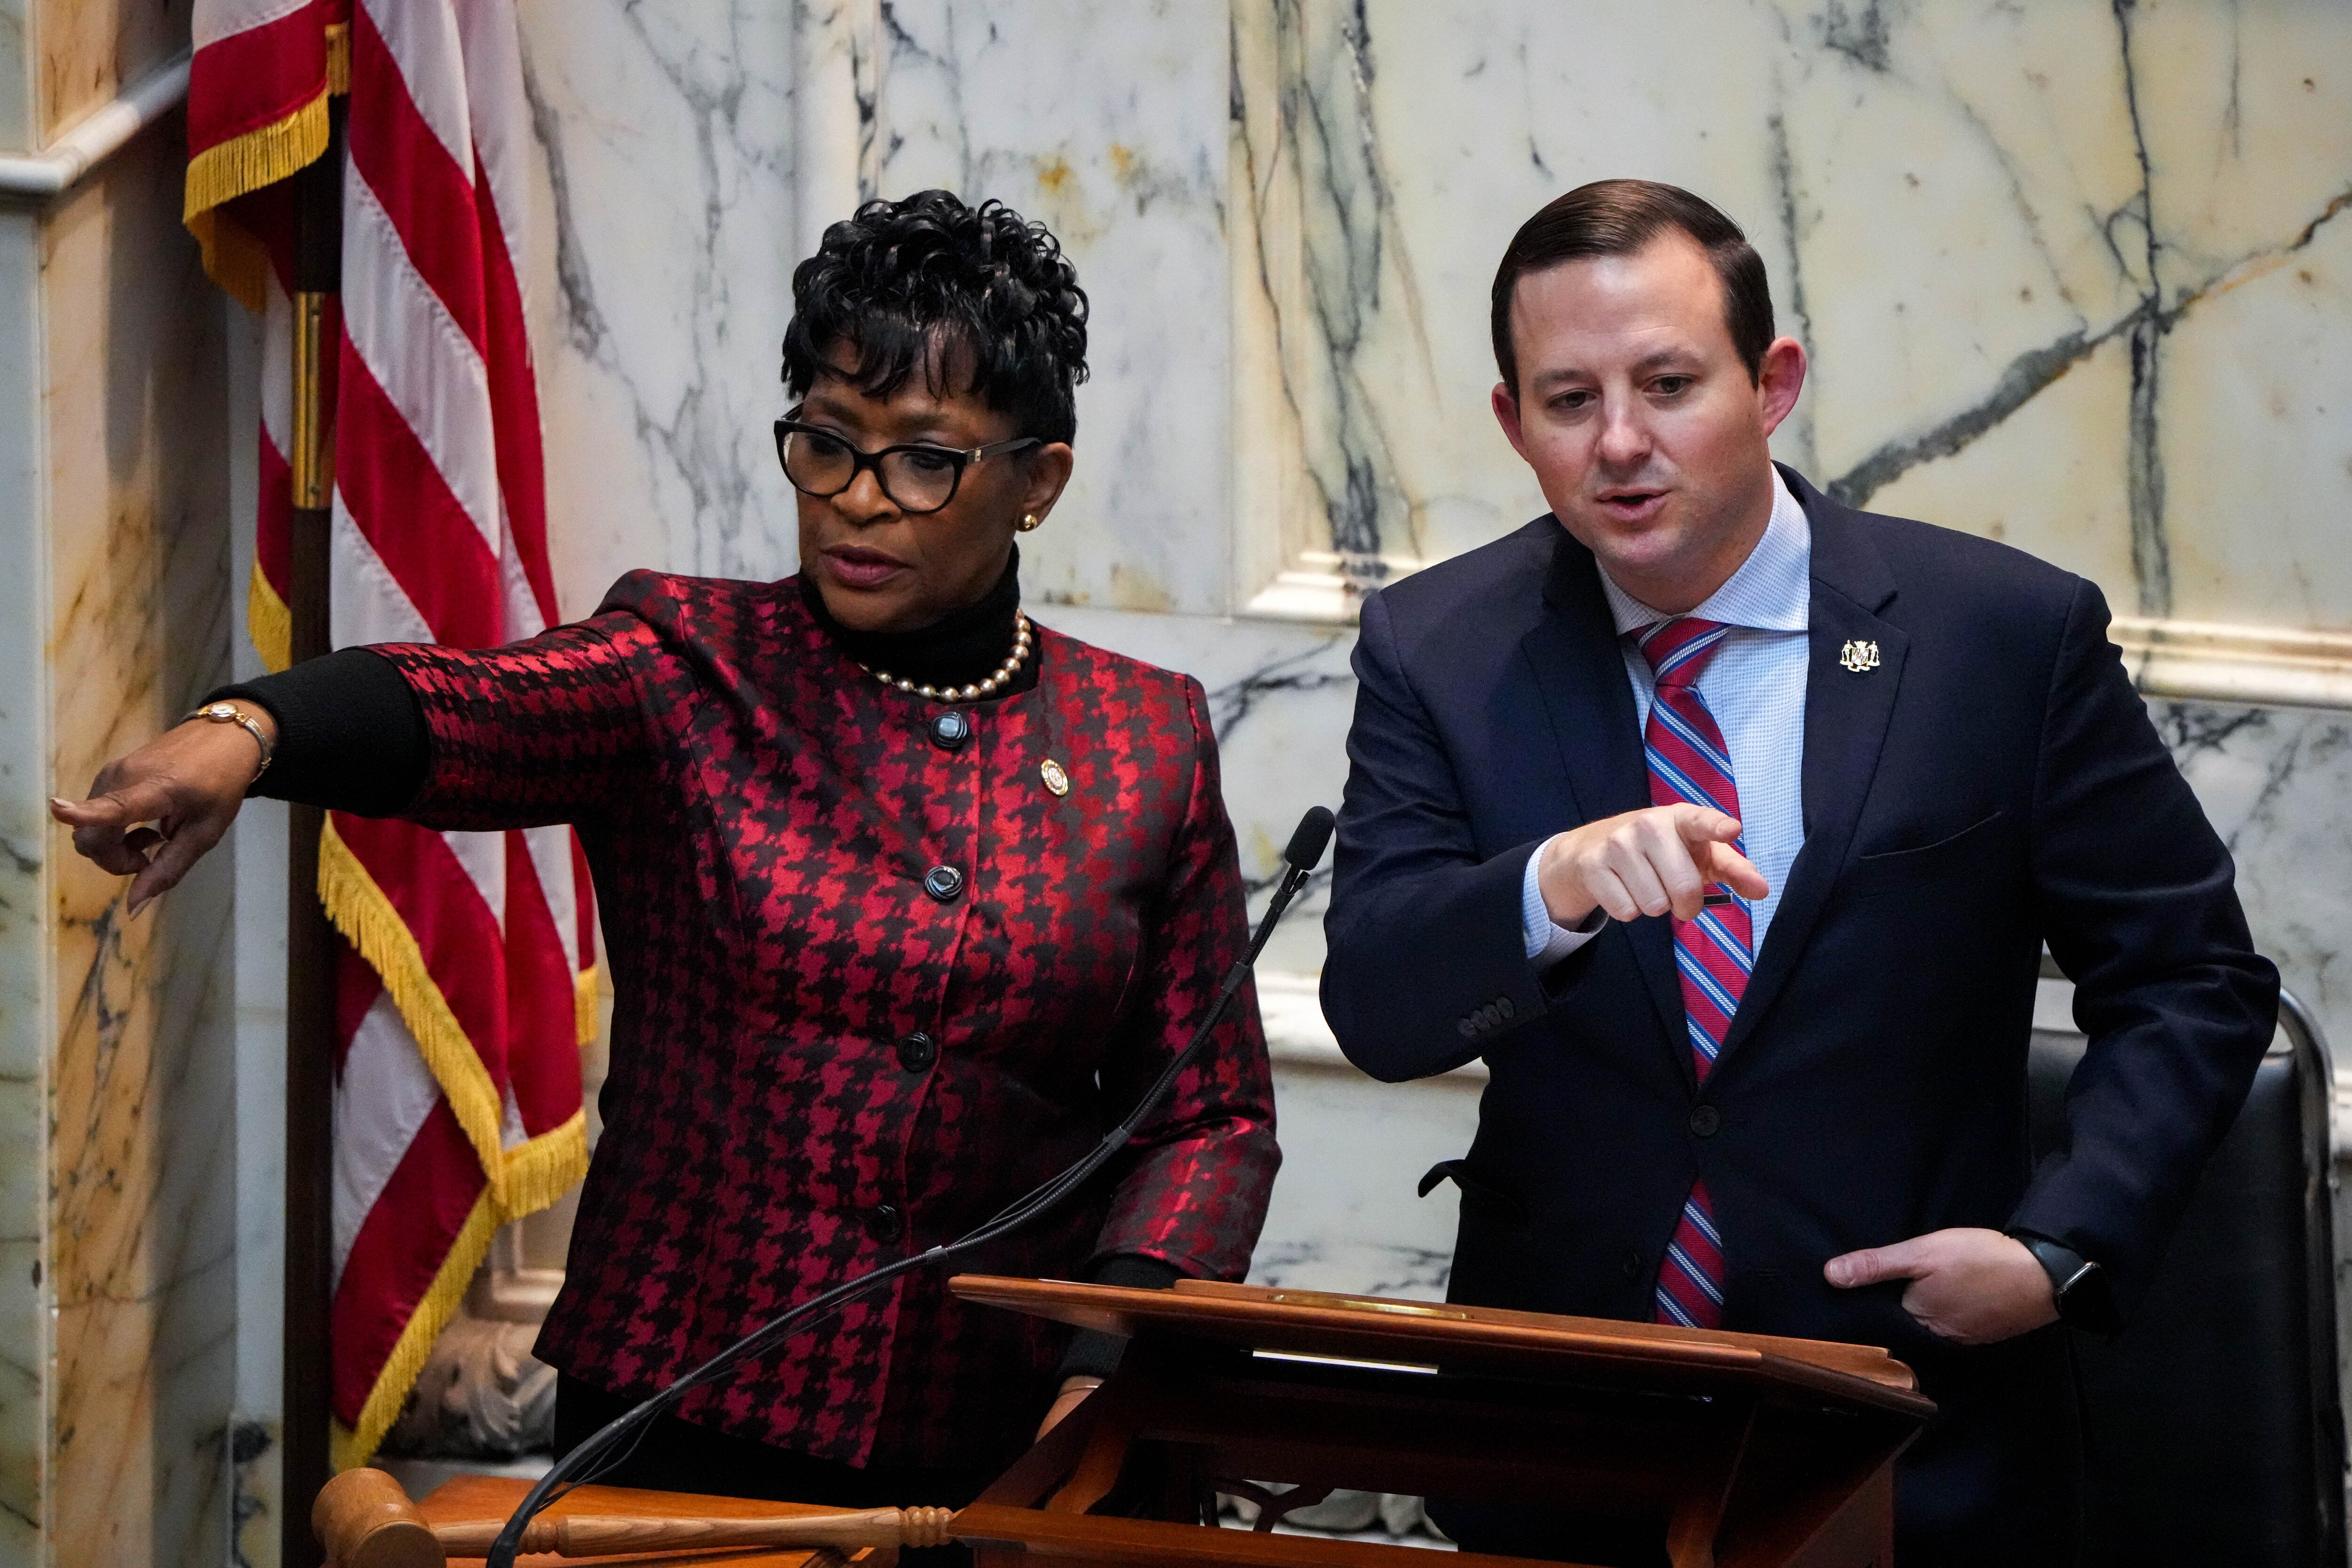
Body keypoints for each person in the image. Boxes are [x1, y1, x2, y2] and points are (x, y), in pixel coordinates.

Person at [54, 190, 1278, 1509]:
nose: (859, 502)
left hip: (1014, 1437)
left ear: (1037, 481)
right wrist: (245, 733)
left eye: (924, 459)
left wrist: (1106, 1362)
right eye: (826, 443)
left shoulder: (1142, 739)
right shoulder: (686, 665)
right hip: (693, 1414)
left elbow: (1204, 1117)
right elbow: (458, 707)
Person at [1319, 179, 2277, 1567]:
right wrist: (1553, 888)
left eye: (1668, 383)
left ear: (1772, 385)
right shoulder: (1440, 647)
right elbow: (1379, 1009)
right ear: (1512, 422)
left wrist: (2059, 1250)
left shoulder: (1998, 637)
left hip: (1910, 1428)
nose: (1623, 445)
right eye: (1570, 400)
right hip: (1563, 1440)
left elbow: (2191, 978)